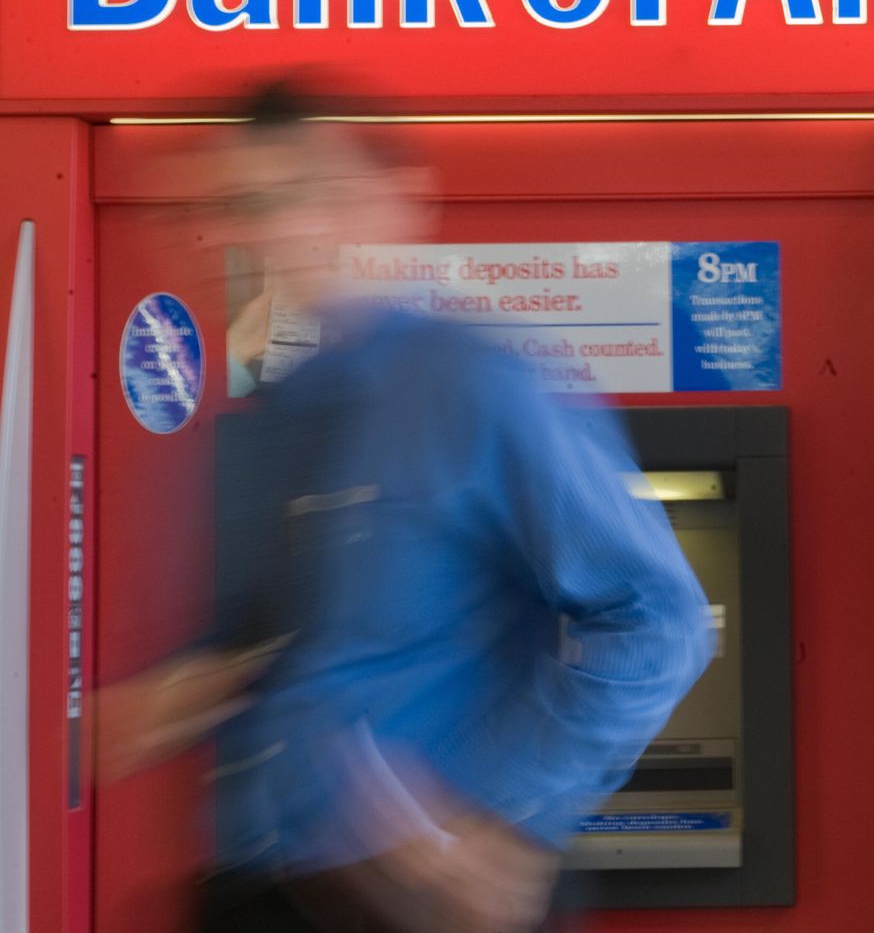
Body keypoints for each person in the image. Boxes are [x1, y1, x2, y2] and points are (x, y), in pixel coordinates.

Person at [94, 81, 715, 932]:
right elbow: (250, 646)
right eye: (236, 203)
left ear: (383, 204)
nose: (263, 230)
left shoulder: (474, 385)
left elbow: (657, 617)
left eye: (292, 196)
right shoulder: (266, 419)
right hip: (264, 882)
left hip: (425, 898)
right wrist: (163, 698)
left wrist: (508, 817)